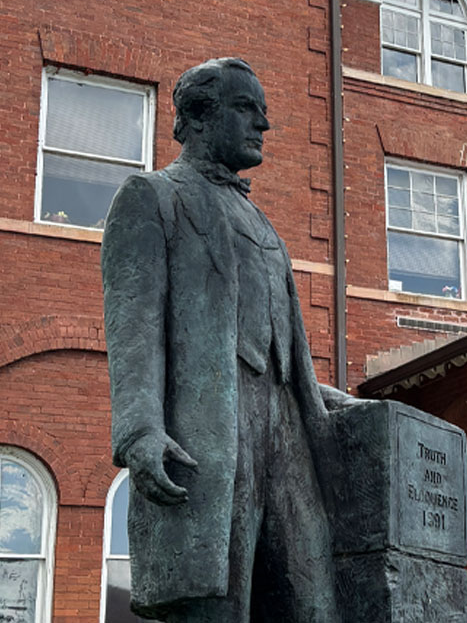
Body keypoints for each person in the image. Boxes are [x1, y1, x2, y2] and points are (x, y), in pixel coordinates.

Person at [101, 58, 353, 622]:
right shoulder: (153, 197)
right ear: (198, 114)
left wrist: (346, 404)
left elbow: (291, 359)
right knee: (218, 605)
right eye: (246, 109)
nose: (262, 125)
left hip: (285, 429)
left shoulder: (264, 225)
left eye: (263, 113)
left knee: (313, 600)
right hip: (210, 429)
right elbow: (134, 324)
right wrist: (140, 429)